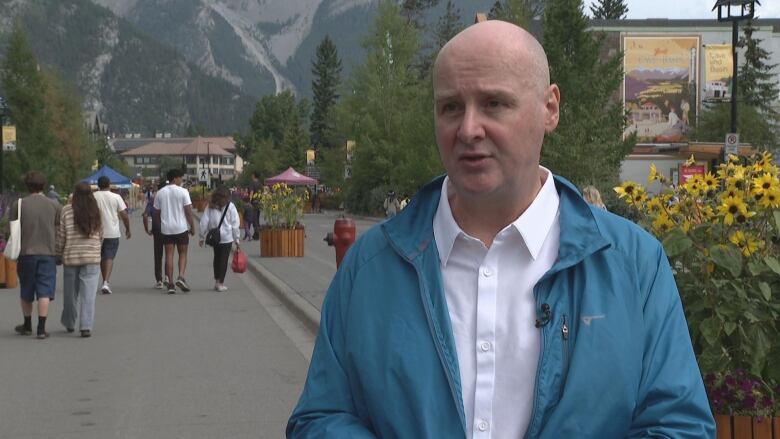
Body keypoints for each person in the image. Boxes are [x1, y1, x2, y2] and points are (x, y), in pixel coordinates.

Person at [287, 21, 715, 438]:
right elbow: (321, 418)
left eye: (494, 103)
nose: (469, 129)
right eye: (451, 107)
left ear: (550, 108)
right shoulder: (371, 266)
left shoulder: (633, 264)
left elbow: (678, 425)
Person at [11, 171, 62, 339]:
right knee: (44, 291)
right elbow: (58, 228)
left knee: (26, 289)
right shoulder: (54, 205)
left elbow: (10, 229)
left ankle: (27, 324)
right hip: (48, 253)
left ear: (27, 186)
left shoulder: (18, 204)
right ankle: (41, 328)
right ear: (44, 186)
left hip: (26, 253)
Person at [57, 182, 102, 338]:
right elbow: (100, 234)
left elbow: (61, 235)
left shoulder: (66, 211)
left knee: (70, 294)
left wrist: (58, 253)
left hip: (71, 257)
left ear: (74, 195)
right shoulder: (96, 211)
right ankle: (85, 326)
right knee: (88, 295)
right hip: (92, 257)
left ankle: (69, 322)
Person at [154, 168, 195, 294]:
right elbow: (188, 212)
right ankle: (181, 276)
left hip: (166, 228)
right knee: (183, 253)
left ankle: (171, 283)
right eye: (181, 178)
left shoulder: (160, 193)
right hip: (181, 227)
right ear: (175, 178)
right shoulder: (183, 192)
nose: (182, 180)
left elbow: (156, 213)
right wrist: (192, 226)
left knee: (169, 255)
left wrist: (160, 225)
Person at [93, 176, 131, 294]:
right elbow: (124, 215)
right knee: (109, 256)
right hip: (112, 231)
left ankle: (99, 281)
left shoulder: (93, 197)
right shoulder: (116, 197)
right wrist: (128, 228)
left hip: (95, 232)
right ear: (109, 184)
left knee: (99, 257)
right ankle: (105, 282)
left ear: (98, 185)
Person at [198, 186, 240, 291]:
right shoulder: (230, 206)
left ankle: (217, 280)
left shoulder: (210, 206)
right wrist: (237, 239)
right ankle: (220, 283)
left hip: (215, 237)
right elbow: (235, 224)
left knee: (216, 258)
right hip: (227, 237)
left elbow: (204, 222)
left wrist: (201, 236)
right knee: (224, 260)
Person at [142, 183, 165, 288]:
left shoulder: (153, 199)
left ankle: (159, 280)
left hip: (157, 229)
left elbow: (145, 215)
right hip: (170, 229)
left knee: (158, 255)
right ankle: (168, 278)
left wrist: (147, 230)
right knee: (170, 254)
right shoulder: (169, 199)